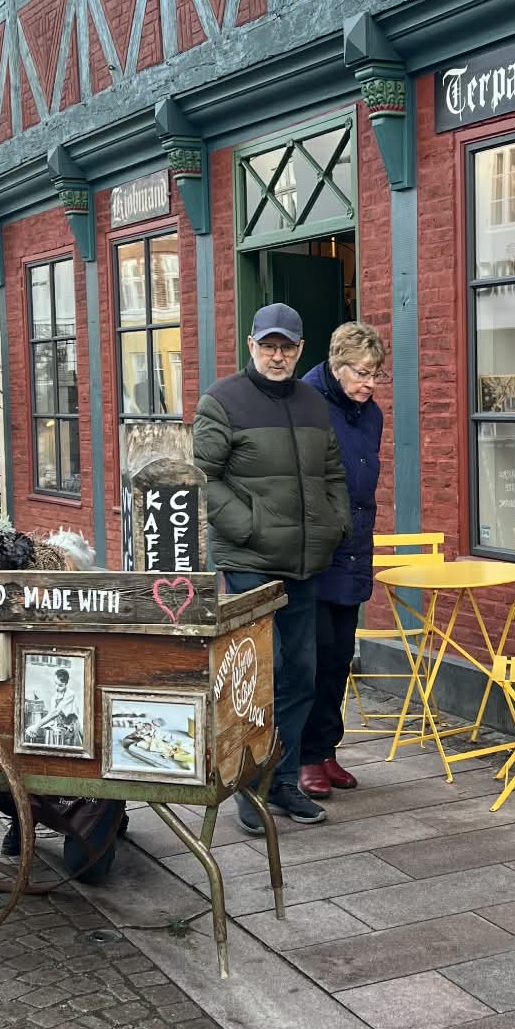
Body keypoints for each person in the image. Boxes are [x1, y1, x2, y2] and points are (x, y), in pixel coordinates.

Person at [192, 302, 350, 831]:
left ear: (300, 350)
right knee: (260, 674)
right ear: (252, 346)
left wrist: (334, 523)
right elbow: (202, 476)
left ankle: (281, 782)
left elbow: (332, 471)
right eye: (268, 346)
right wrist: (250, 527)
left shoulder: (311, 401)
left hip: (305, 562)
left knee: (300, 675)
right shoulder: (223, 400)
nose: (277, 355)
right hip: (251, 563)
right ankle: (245, 782)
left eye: (287, 347)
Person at [298, 323, 387, 799]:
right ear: (336, 366)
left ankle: (327, 749)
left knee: (339, 658)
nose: (371, 383)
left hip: (354, 546)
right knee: (312, 656)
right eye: (363, 373)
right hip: (316, 549)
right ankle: (303, 757)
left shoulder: (369, 414)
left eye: (377, 374)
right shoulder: (307, 403)